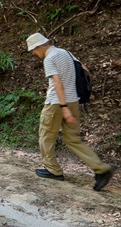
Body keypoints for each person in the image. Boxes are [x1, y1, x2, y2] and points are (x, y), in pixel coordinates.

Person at [26, 32, 116, 191]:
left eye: (33, 50)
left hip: (57, 103)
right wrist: (69, 102)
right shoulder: (66, 53)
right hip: (73, 100)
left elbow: (58, 83)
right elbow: (86, 72)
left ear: (39, 46)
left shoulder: (49, 58)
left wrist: (63, 107)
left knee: (46, 135)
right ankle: (102, 169)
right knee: (73, 139)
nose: (34, 53)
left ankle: (53, 170)